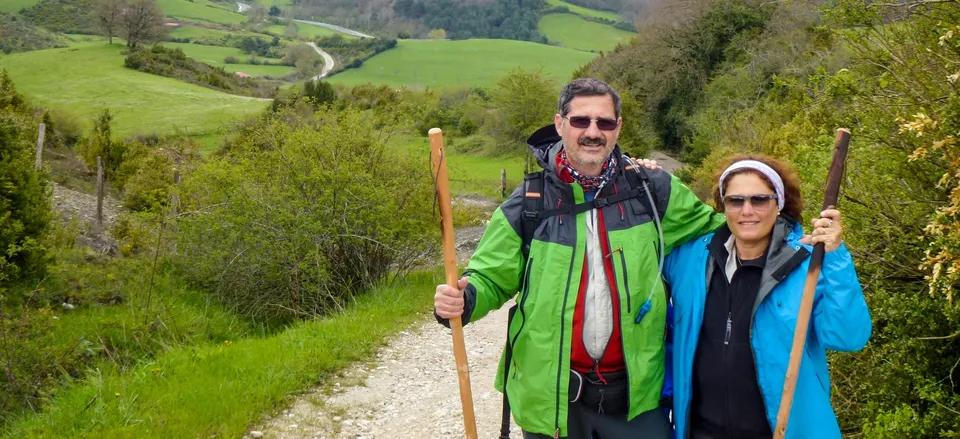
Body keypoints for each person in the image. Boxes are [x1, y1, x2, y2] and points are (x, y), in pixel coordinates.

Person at [433, 78, 725, 439]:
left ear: (618, 127)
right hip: (552, 402)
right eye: (580, 121)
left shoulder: (652, 191)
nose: (592, 132)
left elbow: (724, 232)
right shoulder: (528, 203)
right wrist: (463, 300)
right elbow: (491, 276)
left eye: (604, 122)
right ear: (560, 124)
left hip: (636, 400)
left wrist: (792, 236)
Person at [662, 154, 872, 439]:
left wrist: (836, 257)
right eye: (735, 200)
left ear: (779, 204)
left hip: (782, 432)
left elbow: (848, 337)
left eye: (759, 199)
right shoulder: (691, 259)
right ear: (723, 206)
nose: (747, 210)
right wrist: (645, 173)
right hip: (700, 431)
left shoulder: (807, 265)